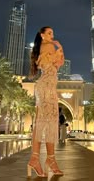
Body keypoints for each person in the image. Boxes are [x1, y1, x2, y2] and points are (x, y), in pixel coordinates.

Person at [27, 26, 64, 177]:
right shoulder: (48, 45)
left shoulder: (43, 47)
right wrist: (59, 46)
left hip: (46, 87)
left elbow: (56, 64)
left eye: (53, 33)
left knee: (45, 123)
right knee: (45, 123)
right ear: (42, 35)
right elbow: (58, 61)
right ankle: (44, 160)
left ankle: (44, 159)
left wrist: (58, 47)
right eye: (49, 33)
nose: (52, 35)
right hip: (46, 88)